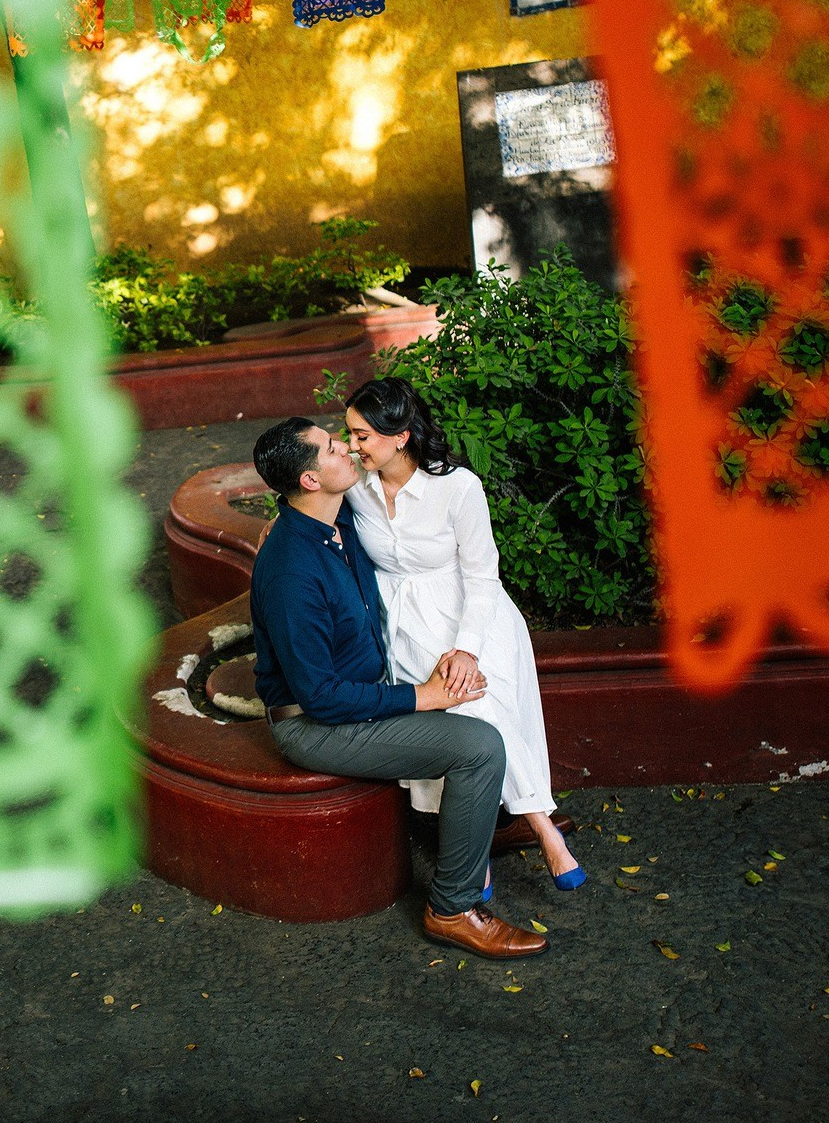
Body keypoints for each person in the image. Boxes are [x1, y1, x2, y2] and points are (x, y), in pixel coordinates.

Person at [247, 417, 546, 957]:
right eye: (335, 448)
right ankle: (452, 908)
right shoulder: (293, 572)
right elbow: (321, 698)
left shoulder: (335, 523)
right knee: (477, 748)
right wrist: (423, 697)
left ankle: (480, 828)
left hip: (363, 695)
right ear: (311, 481)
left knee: (480, 697)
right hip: (316, 726)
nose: (349, 449)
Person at [341, 377, 586, 892]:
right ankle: (498, 843)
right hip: (401, 625)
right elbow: (305, 494)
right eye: (350, 434)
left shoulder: (457, 488)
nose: (351, 445)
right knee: (444, 722)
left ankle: (539, 829)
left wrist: (467, 649)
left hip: (470, 614)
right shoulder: (355, 487)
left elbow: (482, 575)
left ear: (400, 436)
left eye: (362, 436)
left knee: (477, 704)